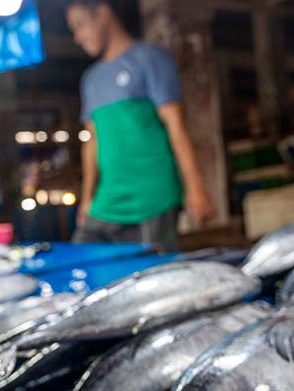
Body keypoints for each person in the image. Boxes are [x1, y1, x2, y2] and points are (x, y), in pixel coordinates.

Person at [66, 0, 214, 252]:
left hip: (152, 196)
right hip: (107, 201)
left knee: (149, 275)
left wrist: (196, 189)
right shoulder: (90, 80)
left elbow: (175, 124)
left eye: (80, 25)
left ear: (102, 13)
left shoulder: (150, 58)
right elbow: (91, 142)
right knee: (79, 262)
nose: (77, 37)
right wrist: (87, 198)